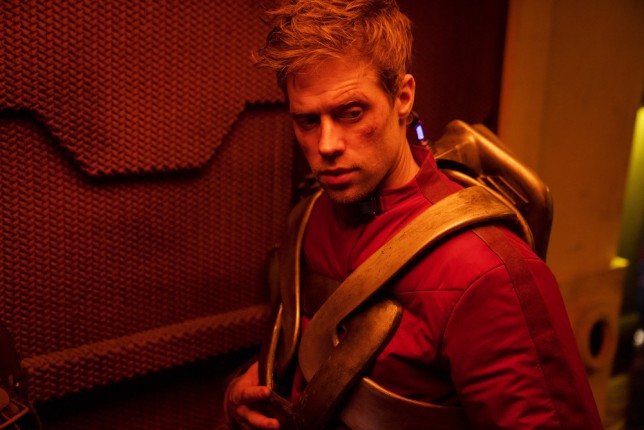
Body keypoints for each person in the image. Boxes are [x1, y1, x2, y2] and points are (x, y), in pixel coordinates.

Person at [224, 0, 603, 428]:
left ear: (402, 97)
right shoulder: (311, 216)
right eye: (308, 121)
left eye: (352, 113)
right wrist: (247, 391)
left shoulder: (493, 272)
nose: (326, 145)